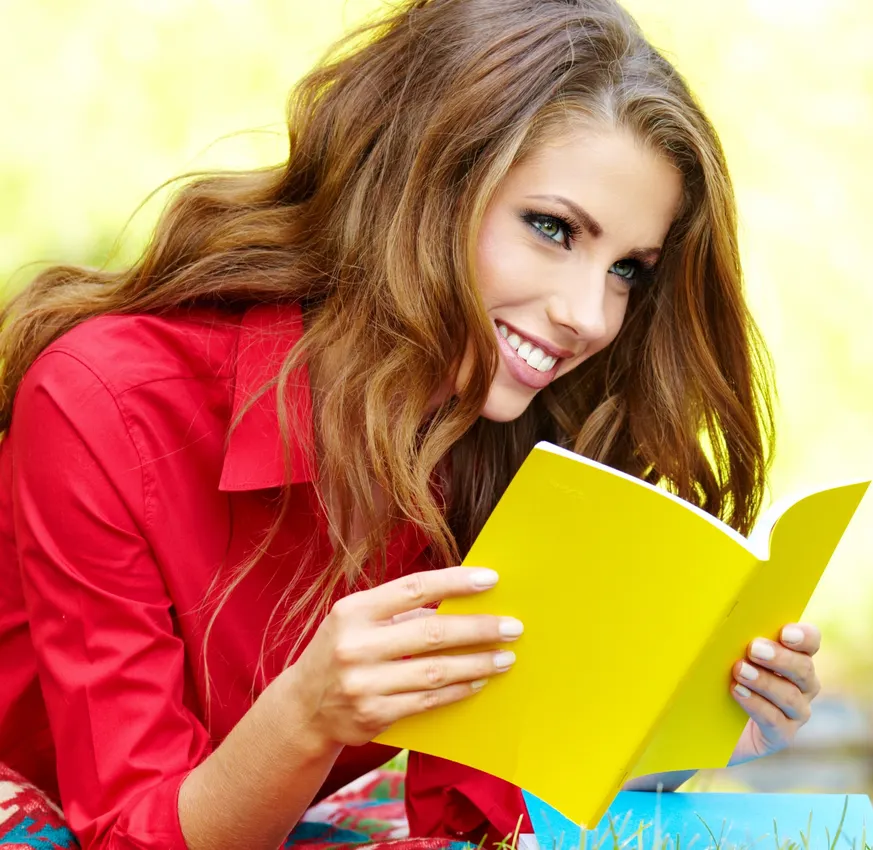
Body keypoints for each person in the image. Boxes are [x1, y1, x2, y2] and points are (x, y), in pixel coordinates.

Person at [0, 1, 826, 848]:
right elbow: (131, 833)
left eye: (627, 270)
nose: (589, 315)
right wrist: (307, 714)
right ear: (420, 185)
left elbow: (469, 816)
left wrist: (677, 732)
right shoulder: (104, 400)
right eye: (551, 229)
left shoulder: (511, 435)